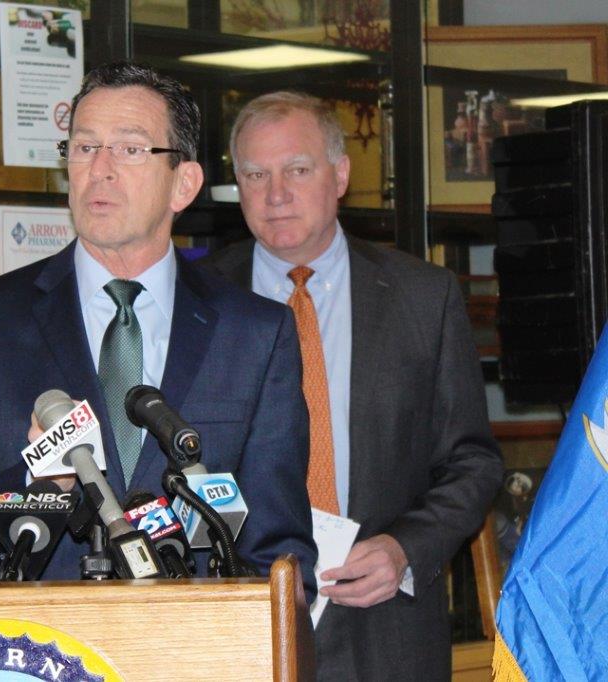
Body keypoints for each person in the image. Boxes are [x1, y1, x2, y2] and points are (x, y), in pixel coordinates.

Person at [0, 62, 317, 593]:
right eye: (85, 148)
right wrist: (38, 486)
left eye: (129, 149)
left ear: (184, 184)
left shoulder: (254, 334)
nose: (100, 169)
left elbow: (278, 556)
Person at [203, 91, 503, 680]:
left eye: (297, 169)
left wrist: (405, 549)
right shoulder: (199, 301)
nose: (276, 194)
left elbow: (473, 462)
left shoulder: (424, 297)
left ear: (340, 175)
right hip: (238, 625)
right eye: (255, 174)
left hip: (386, 628)